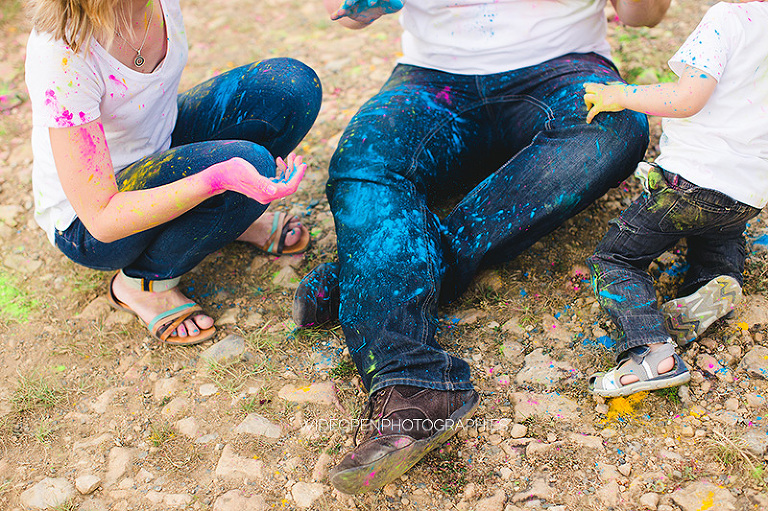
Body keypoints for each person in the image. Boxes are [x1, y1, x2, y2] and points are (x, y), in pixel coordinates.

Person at [293, 0, 670, 494]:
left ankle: (363, 282)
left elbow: (645, 17)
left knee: (615, 130)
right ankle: (414, 381)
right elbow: (346, 11)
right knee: (363, 164)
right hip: (432, 78)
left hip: (564, 67)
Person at [24, 0, 321, 344]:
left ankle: (228, 219)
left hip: (160, 141)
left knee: (290, 87)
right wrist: (214, 180)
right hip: (91, 222)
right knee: (248, 165)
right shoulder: (62, 53)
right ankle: (143, 285)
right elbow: (101, 219)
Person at [584, 0, 768, 397]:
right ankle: (719, 277)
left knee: (616, 258)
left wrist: (623, 94)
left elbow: (687, 97)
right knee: (717, 231)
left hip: (691, 180)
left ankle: (652, 356)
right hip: (747, 192)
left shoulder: (727, 18)